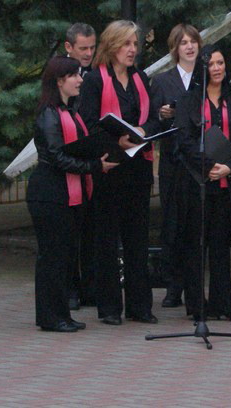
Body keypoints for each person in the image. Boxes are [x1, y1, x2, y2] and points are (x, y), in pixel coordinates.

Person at [77, 20, 161, 326]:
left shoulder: (140, 77)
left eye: (135, 45)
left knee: (137, 238)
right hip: (109, 168)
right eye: (126, 44)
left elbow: (154, 119)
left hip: (137, 167)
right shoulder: (95, 81)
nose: (132, 50)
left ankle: (140, 306)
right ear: (112, 46)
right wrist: (117, 140)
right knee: (107, 240)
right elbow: (87, 122)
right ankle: (109, 307)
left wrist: (142, 131)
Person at [27, 56, 118, 332]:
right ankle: (50, 316)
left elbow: (77, 146)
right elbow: (56, 156)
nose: (80, 80)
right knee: (52, 257)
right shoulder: (48, 114)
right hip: (50, 194)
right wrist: (94, 165)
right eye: (74, 76)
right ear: (59, 81)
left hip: (69, 194)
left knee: (66, 257)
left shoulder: (71, 111)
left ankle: (61, 314)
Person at [175, 44, 231, 322]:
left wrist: (229, 166)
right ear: (202, 69)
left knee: (221, 246)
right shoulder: (188, 101)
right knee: (196, 246)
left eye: (220, 63)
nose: (217, 68)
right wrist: (208, 168)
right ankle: (197, 304)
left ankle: (223, 303)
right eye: (211, 64)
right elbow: (184, 141)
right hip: (197, 185)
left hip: (226, 185)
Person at [149, 24, 202, 308]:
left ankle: (195, 287)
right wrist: (162, 113)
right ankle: (174, 285)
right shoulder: (162, 81)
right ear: (175, 48)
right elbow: (153, 122)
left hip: (200, 163)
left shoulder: (207, 76)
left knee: (197, 226)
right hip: (172, 161)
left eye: (193, 42)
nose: (189, 47)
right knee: (173, 224)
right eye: (183, 43)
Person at [63, 22, 97, 310]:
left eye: (92, 48)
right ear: (68, 47)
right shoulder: (60, 78)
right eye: (82, 48)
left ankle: (90, 287)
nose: (88, 54)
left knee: (91, 231)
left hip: (93, 161)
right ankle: (71, 288)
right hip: (71, 162)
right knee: (70, 233)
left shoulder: (96, 75)